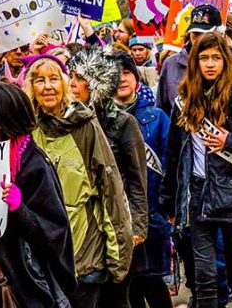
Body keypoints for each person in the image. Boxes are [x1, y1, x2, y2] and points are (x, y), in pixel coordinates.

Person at [160, 32, 232, 308]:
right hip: (198, 194)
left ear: (225, 60)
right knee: (204, 275)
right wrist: (170, 203)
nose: (210, 64)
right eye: (203, 58)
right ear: (195, 62)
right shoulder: (185, 99)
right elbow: (175, 156)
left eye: (216, 58)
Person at [23, 54, 133, 307]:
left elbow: (111, 190)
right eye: (40, 80)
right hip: (41, 258)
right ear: (31, 86)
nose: (48, 86)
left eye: (54, 79)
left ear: (65, 84)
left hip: (83, 257)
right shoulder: (26, 130)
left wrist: (118, 258)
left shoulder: (85, 126)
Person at [68, 47, 148, 307]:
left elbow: (137, 181)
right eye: (70, 76)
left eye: (79, 78)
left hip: (117, 225)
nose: (72, 84)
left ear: (95, 83)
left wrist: (136, 229)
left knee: (117, 298)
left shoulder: (123, 123)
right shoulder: (68, 123)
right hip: (85, 228)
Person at [0, 82, 76, 307]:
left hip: (27, 288)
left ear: (3, 121)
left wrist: (19, 209)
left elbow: (55, 235)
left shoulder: (34, 165)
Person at [113, 55, 173, 308]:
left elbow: (170, 162)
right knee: (129, 284)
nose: (122, 78)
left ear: (136, 78)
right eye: (115, 74)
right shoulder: (98, 120)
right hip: (118, 214)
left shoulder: (158, 117)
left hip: (152, 211)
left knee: (153, 279)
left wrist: (166, 205)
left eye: (127, 72)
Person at [156, 5, 232, 115]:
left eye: (205, 34)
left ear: (220, 34)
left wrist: (230, 133)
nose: (200, 39)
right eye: (196, 34)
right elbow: (162, 113)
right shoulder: (171, 65)